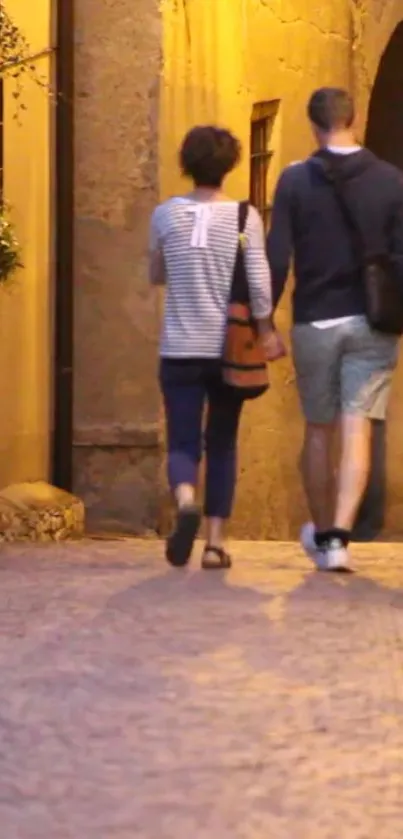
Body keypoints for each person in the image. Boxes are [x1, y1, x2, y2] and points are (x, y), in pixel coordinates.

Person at [267, 87, 403, 572]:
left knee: (319, 430)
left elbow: (277, 256)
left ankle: (323, 533)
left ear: (313, 125)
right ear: (355, 118)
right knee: (358, 427)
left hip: (315, 320)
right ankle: (341, 538)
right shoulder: (391, 181)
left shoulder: (294, 181)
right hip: (372, 323)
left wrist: (264, 322)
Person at [149, 125, 284, 569]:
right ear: (229, 166)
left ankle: (186, 496)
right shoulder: (246, 219)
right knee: (223, 441)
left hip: (180, 347)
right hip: (228, 348)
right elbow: (260, 284)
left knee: (183, 440)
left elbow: (156, 272)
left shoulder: (165, 216)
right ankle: (214, 544)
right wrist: (265, 329)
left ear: (187, 164)